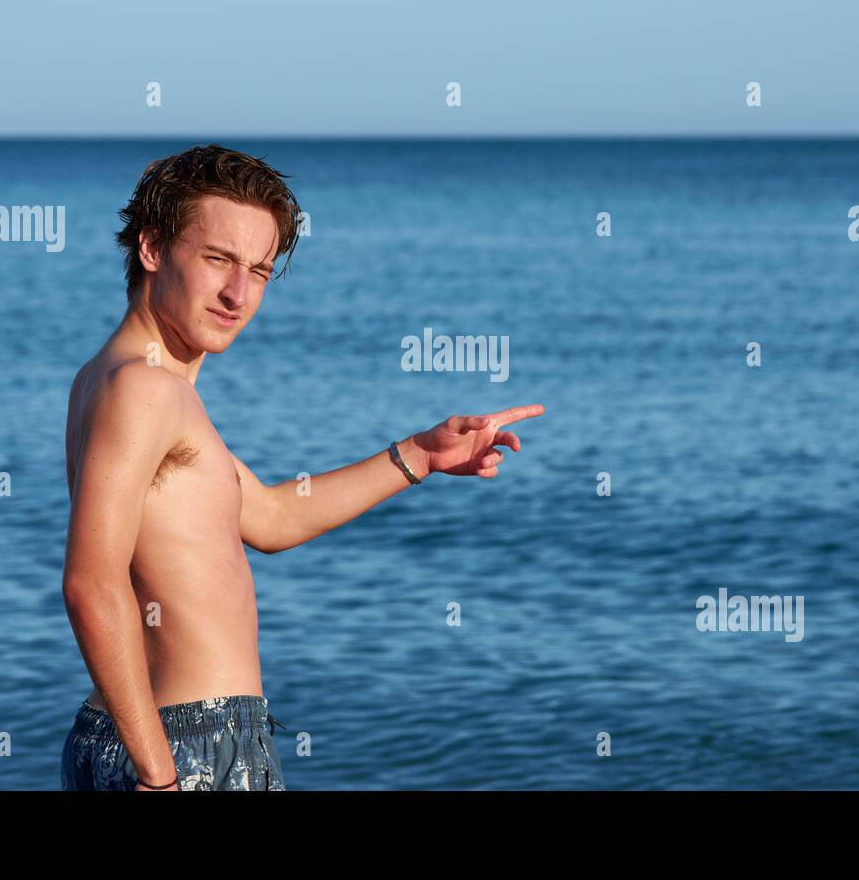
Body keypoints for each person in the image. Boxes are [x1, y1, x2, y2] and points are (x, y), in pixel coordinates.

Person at [58, 144, 545, 790]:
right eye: (217, 260)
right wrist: (160, 775)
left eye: (258, 270)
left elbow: (271, 516)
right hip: (184, 746)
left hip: (154, 737)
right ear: (151, 249)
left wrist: (421, 455)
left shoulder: (120, 380)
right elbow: (92, 583)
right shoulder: (145, 391)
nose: (239, 293)